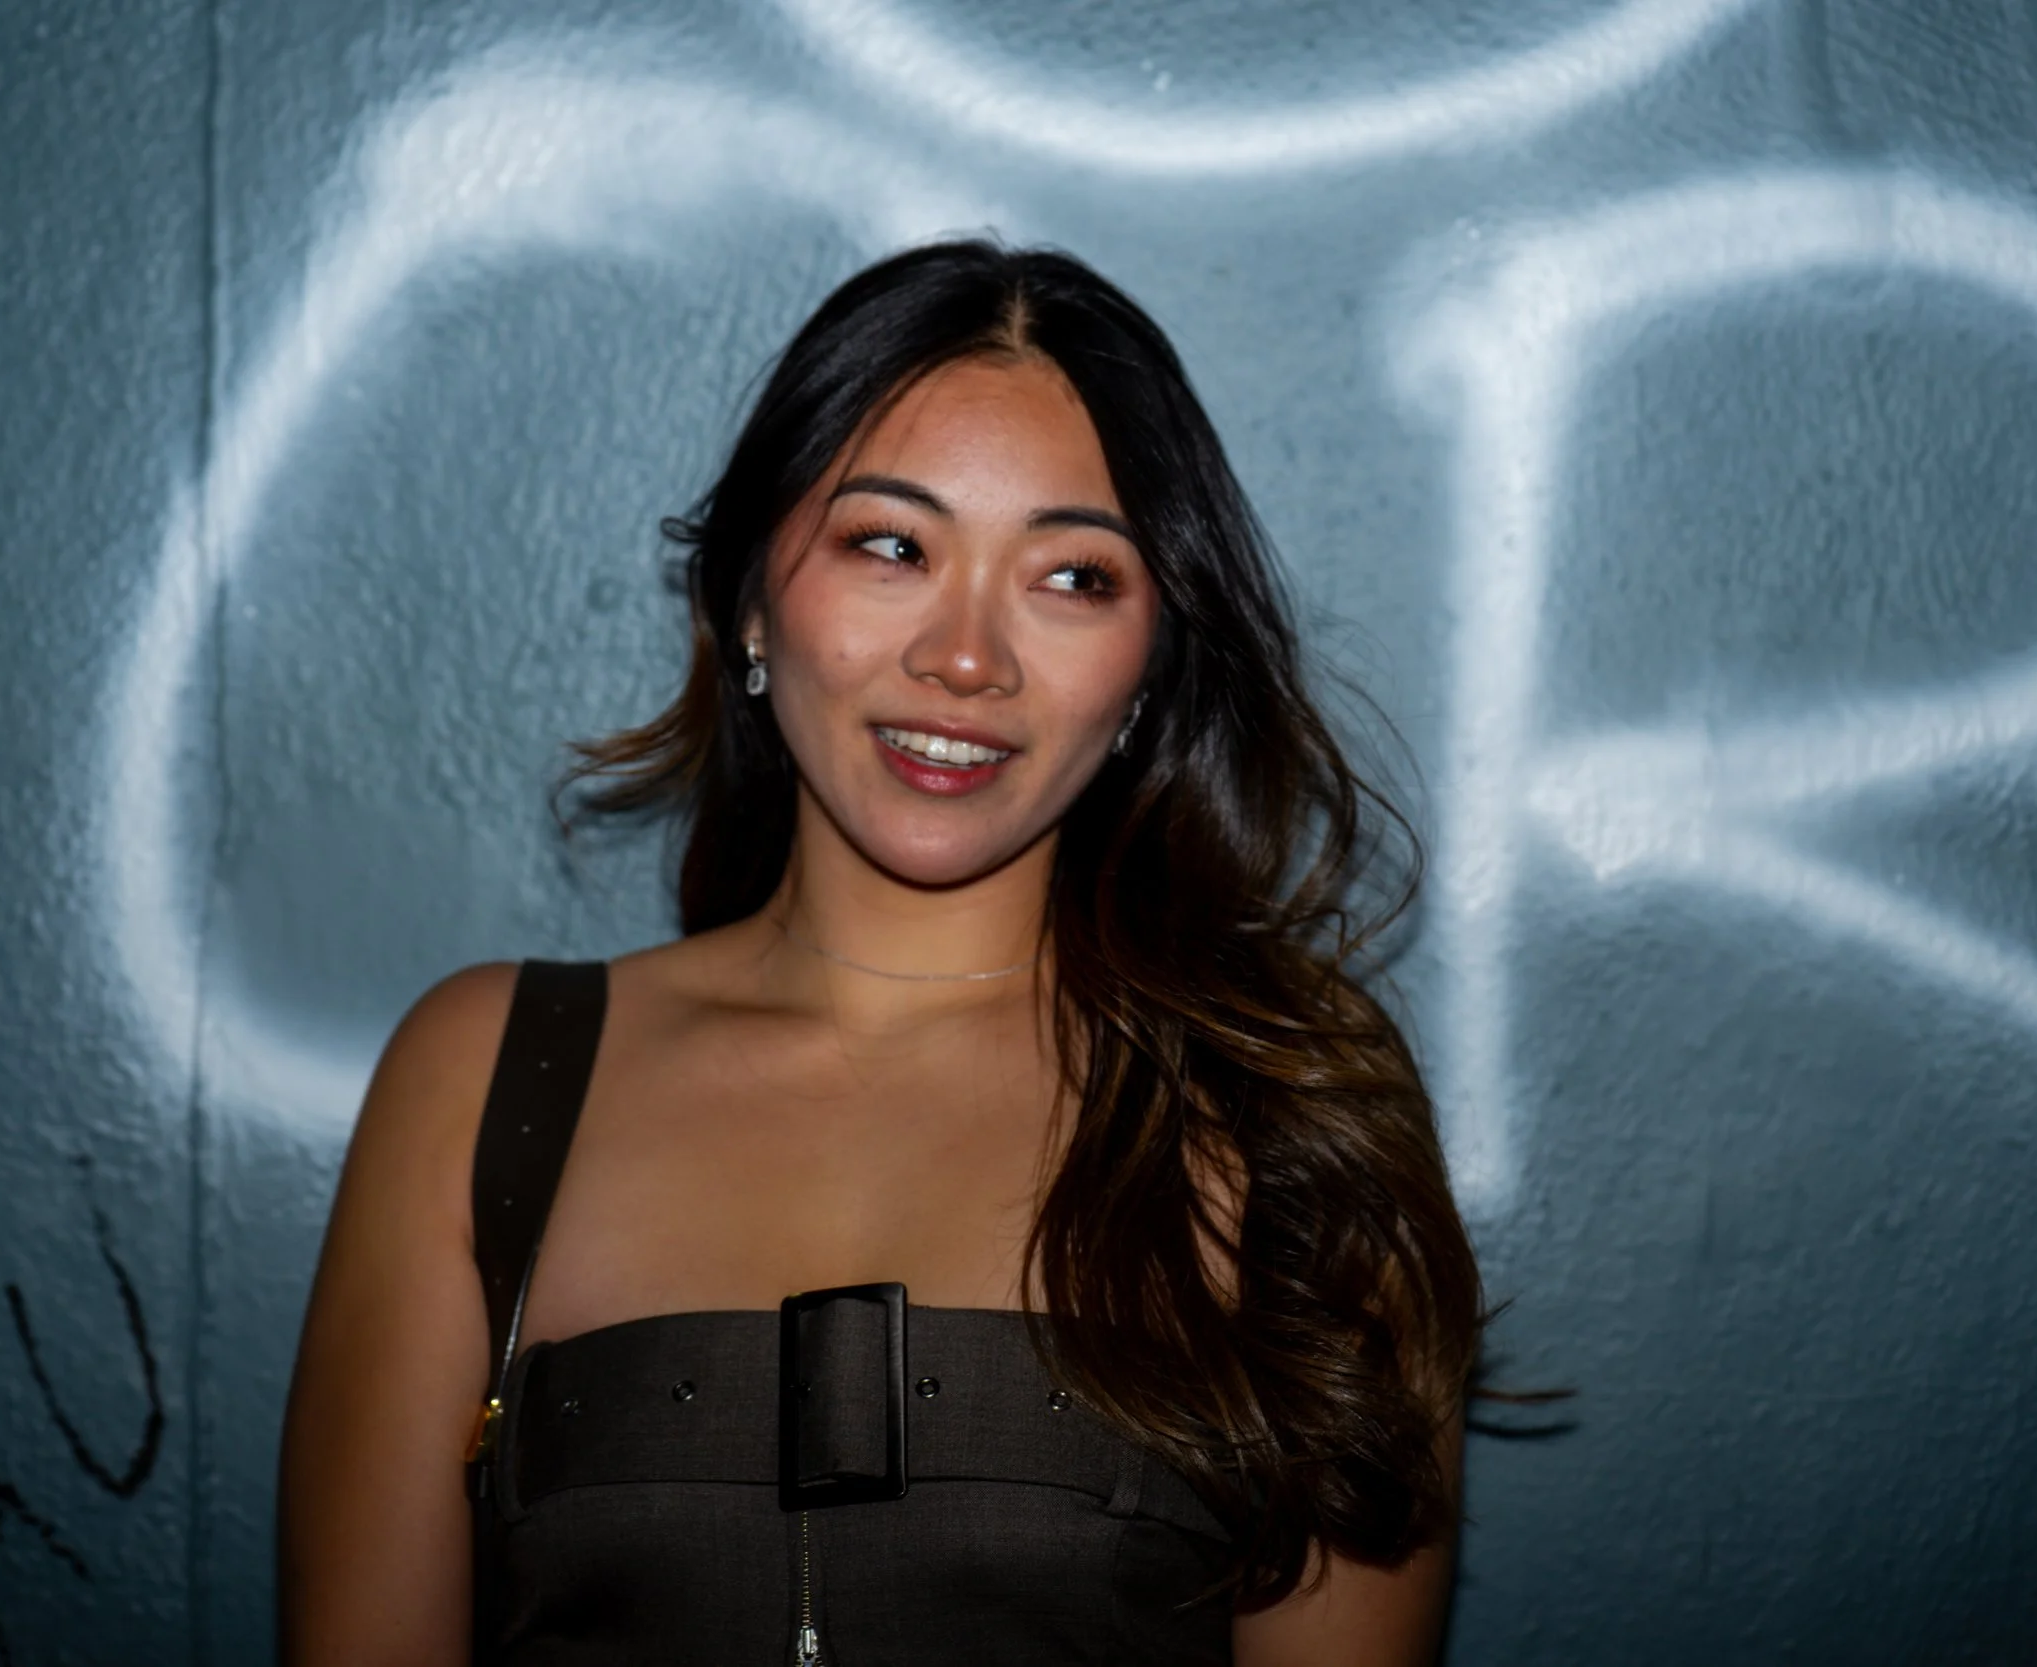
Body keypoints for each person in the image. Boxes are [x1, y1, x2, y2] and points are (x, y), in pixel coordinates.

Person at [277, 238, 1484, 1665]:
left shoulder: (1289, 1116)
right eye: (893, 545)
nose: (966, 656)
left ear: (1154, 665)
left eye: (1073, 577)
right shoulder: (488, 1080)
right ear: (747, 600)